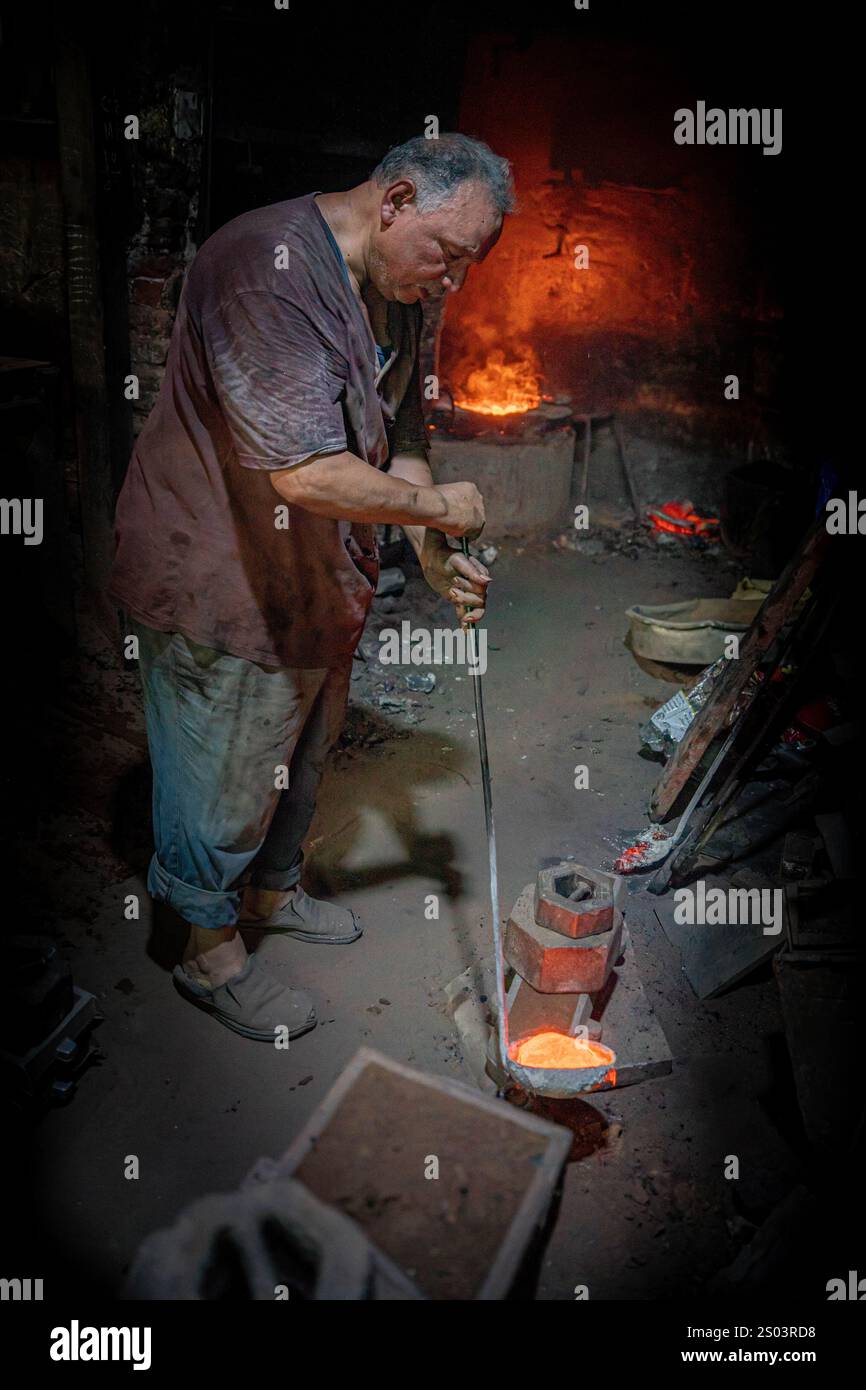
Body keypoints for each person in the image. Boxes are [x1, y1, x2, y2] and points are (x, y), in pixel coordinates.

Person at [109, 132, 513, 1042]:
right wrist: (446, 508)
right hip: (218, 565)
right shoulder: (264, 267)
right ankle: (207, 954)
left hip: (315, 572)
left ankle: (271, 892)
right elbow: (301, 470)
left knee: (302, 745)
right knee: (227, 765)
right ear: (397, 198)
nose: (451, 282)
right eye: (446, 256)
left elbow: (400, 435)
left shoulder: (402, 290)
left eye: (467, 266)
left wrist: (430, 537)